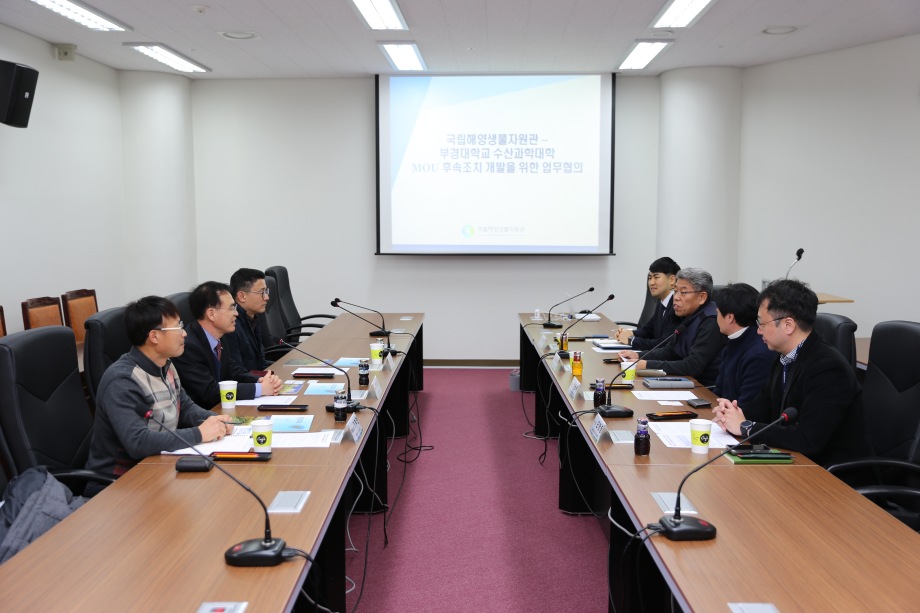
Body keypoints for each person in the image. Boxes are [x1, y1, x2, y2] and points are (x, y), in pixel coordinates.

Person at [713, 279, 871, 467]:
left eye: (761, 323)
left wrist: (746, 427)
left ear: (788, 325)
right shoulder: (783, 357)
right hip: (795, 462)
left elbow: (808, 438)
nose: (758, 331)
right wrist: (732, 414)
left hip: (834, 476)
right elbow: (763, 407)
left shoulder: (828, 368)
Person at [85, 296, 233, 482]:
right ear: (154, 336)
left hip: (159, 467)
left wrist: (213, 420)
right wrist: (199, 433)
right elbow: (138, 442)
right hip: (120, 482)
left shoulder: (166, 365)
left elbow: (185, 407)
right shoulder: (122, 380)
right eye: (178, 327)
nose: (184, 333)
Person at [173, 281, 282, 408]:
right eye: (231, 308)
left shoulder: (220, 337)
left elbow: (232, 371)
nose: (236, 313)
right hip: (205, 416)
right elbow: (210, 392)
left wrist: (260, 381)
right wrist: (259, 389)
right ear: (211, 314)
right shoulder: (188, 347)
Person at [617, 267, 724, 387]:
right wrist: (638, 356)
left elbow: (693, 365)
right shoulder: (689, 316)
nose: (676, 297)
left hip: (705, 390)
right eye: (675, 291)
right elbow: (670, 351)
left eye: (683, 292)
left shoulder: (712, 321)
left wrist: (647, 365)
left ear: (702, 297)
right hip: (686, 381)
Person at [711, 283, 774, 406]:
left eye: (718, 312)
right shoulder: (733, 341)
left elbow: (748, 407)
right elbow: (719, 391)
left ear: (729, 317)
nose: (716, 317)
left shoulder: (758, 355)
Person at [615, 256, 681, 350]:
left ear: (672, 280)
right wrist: (630, 333)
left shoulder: (677, 306)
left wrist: (631, 340)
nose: (651, 283)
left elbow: (663, 343)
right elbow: (648, 330)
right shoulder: (662, 302)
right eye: (650, 278)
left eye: (656, 277)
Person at [223, 268, 272, 372]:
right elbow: (238, 372)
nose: (267, 297)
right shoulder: (231, 326)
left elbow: (260, 361)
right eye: (262, 292)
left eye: (266, 291)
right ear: (242, 296)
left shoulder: (253, 318)